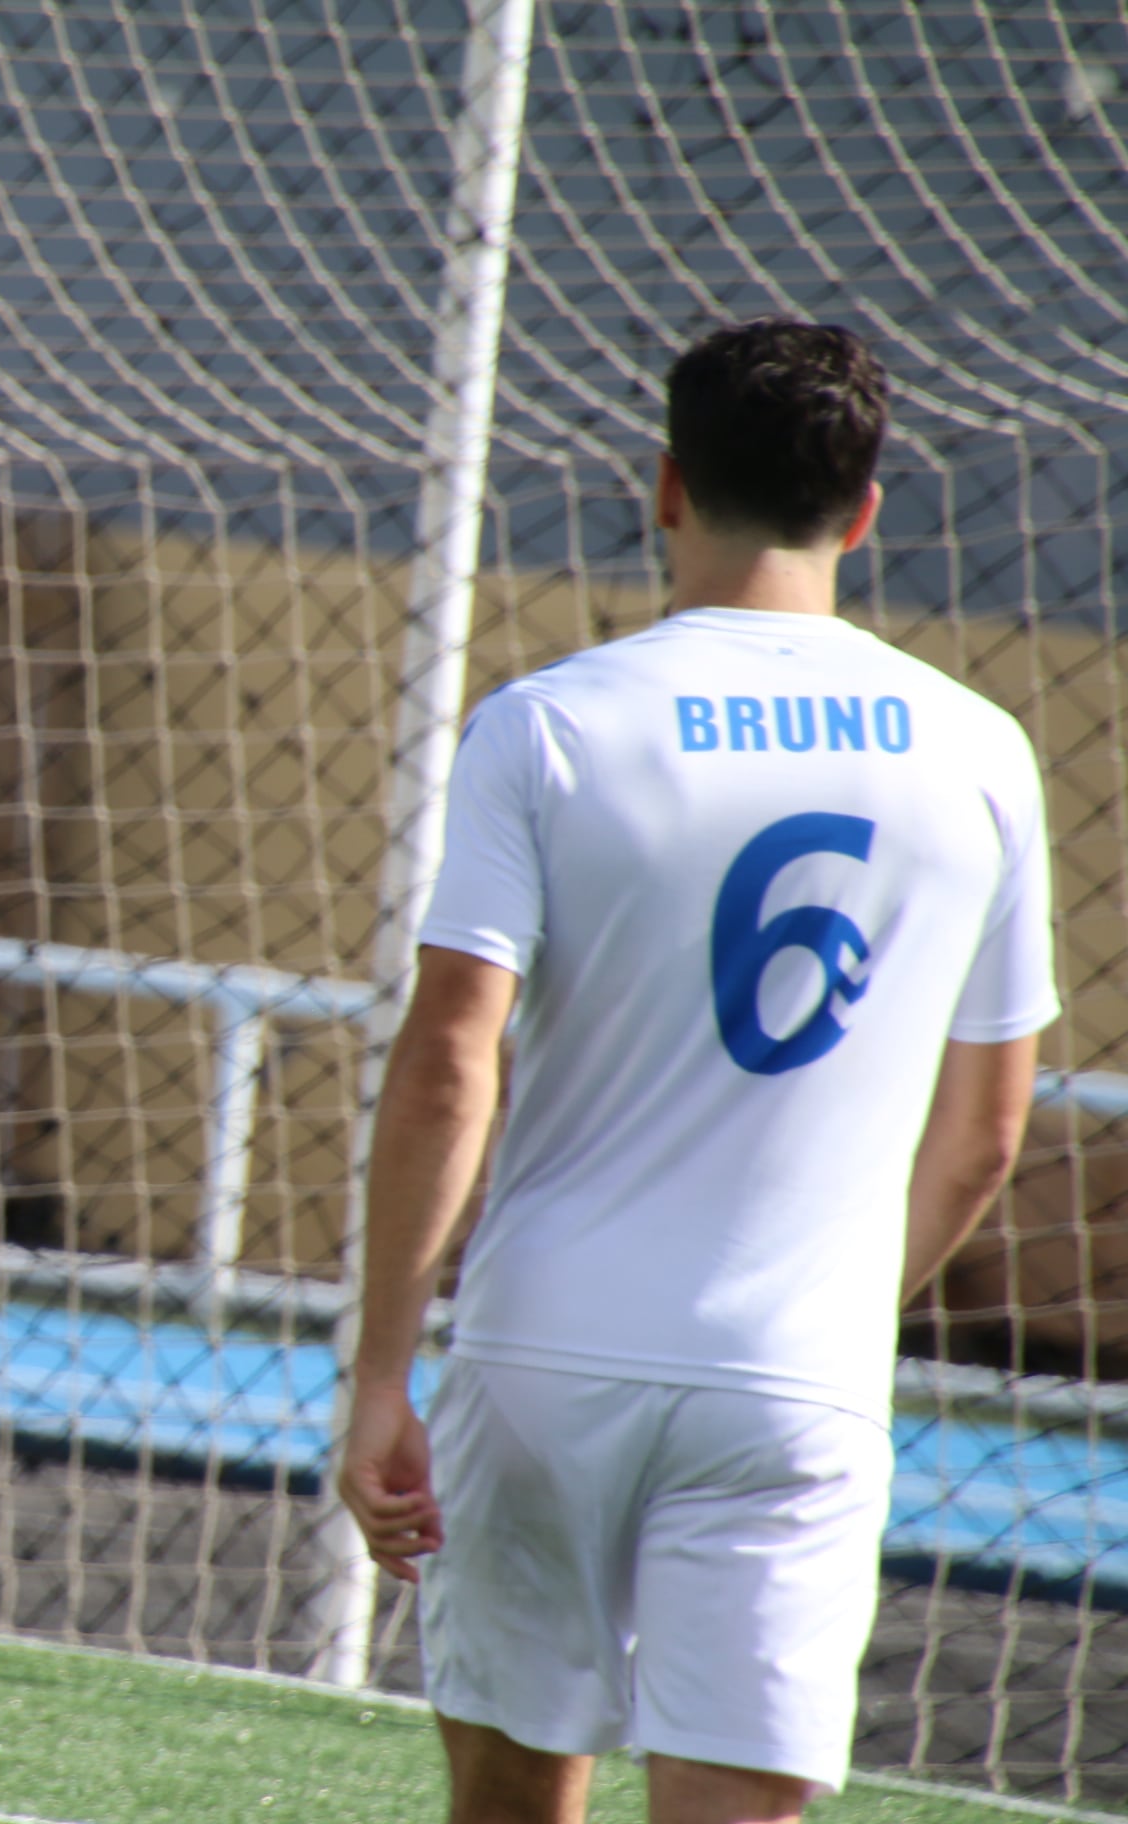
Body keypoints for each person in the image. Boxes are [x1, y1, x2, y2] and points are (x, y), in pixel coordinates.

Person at [336, 318, 1056, 1824]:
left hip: (546, 1348)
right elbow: (988, 1133)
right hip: (795, 1375)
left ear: (666, 486)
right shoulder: (981, 752)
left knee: (510, 1797)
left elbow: (452, 1056)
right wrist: (835, 1308)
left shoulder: (548, 724)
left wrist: (382, 1372)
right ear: (864, 510)